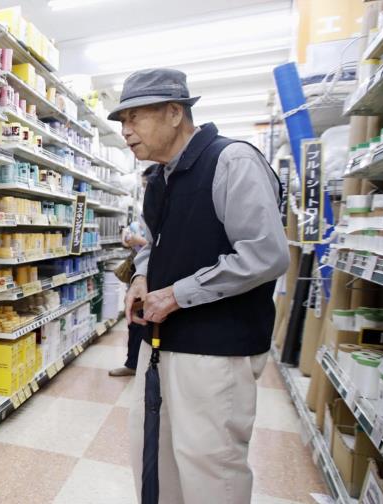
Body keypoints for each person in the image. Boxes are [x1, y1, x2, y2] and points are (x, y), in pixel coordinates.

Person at [107, 68, 289, 503]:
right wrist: (142, 276)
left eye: (134, 118)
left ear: (174, 112)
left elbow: (266, 253)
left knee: (211, 469)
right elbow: (154, 241)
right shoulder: (159, 178)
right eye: (121, 122)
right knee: (155, 456)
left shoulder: (232, 161)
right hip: (163, 343)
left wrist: (177, 294)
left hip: (216, 352)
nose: (126, 131)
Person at [109, 170, 150, 378]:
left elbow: (157, 244)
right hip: (139, 271)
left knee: (145, 319)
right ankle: (133, 363)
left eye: (146, 185)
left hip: (155, 274)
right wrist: (129, 240)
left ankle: (143, 365)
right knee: (134, 319)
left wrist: (138, 241)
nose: (144, 189)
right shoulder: (146, 208)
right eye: (142, 186)